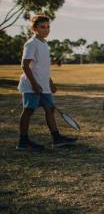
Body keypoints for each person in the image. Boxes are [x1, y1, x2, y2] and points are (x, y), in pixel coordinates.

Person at [16, 15, 77, 150]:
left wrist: (50, 83)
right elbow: (25, 66)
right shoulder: (31, 43)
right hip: (31, 85)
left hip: (43, 84)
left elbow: (43, 68)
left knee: (50, 109)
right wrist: (34, 84)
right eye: (42, 27)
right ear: (34, 28)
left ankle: (57, 139)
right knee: (28, 111)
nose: (46, 30)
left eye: (48, 27)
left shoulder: (44, 44)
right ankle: (23, 141)